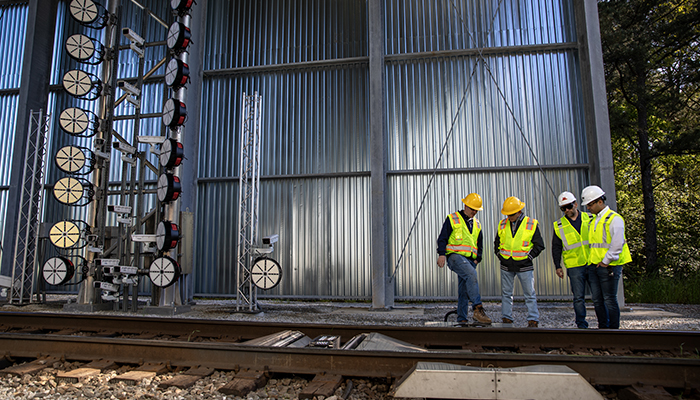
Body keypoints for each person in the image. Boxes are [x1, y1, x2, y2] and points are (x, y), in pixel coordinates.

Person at [581, 185, 632, 329]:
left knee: (609, 299)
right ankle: (603, 328)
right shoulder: (593, 220)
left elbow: (617, 244)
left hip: (608, 266)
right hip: (594, 265)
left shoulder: (615, 219)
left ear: (600, 202)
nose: (588, 208)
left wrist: (605, 262)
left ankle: (613, 330)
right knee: (597, 300)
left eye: (590, 204)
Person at [436, 193, 492, 325]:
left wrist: (478, 259)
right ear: (466, 205)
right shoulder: (452, 218)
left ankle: (462, 318)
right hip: (455, 257)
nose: (474, 212)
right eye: (472, 209)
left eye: (476, 210)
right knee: (471, 274)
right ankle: (477, 308)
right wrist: (442, 254)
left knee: (464, 289)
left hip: (470, 260)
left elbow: (480, 242)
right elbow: (442, 238)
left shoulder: (477, 224)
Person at [494, 196, 544, 327]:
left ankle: (533, 319)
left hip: (524, 265)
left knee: (529, 294)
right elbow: (497, 242)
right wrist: (500, 255)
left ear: (519, 212)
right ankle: (506, 317)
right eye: (507, 214)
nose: (509, 216)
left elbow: (539, 245)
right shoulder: (503, 224)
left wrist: (529, 257)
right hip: (506, 264)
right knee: (506, 294)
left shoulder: (531, 224)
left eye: (511, 214)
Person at [552, 191, 592, 329]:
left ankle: (604, 324)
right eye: (563, 208)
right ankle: (581, 324)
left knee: (599, 297)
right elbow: (556, 247)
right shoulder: (559, 225)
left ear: (575, 204)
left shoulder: (590, 218)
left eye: (569, 206)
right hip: (574, 265)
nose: (567, 210)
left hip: (593, 262)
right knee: (578, 298)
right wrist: (557, 266)